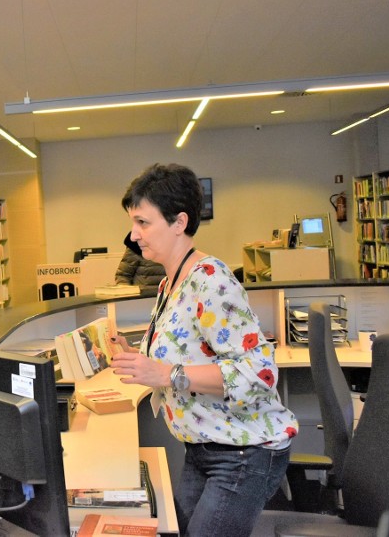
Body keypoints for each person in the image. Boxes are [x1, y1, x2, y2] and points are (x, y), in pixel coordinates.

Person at [108, 163, 298, 537]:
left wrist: (166, 375)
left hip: (243, 452)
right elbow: (183, 354)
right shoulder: (170, 283)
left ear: (179, 222)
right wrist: (136, 356)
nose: (134, 235)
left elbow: (259, 374)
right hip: (205, 447)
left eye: (143, 223)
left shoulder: (210, 280)